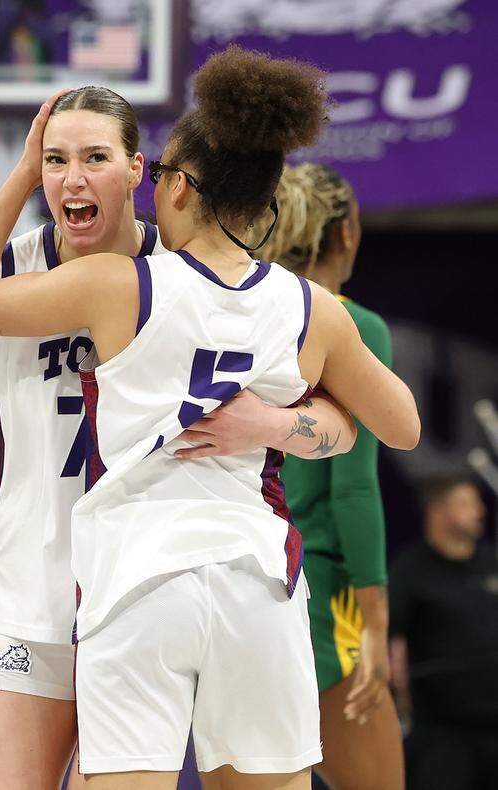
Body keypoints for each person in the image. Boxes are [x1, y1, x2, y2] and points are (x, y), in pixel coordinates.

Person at [0, 46, 421, 789]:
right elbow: (400, 425)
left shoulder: (119, 284)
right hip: (256, 582)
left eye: (158, 176)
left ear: (183, 190)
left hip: (139, 584)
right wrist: (269, 425)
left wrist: (25, 174)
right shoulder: (308, 306)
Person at [257, 162, 404, 789]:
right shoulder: (352, 323)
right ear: (346, 233)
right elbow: (353, 488)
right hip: (319, 595)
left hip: (245, 584)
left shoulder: (247, 311)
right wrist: (375, 622)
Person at [389, 476, 498, 790]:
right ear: (438, 511)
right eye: (466, 503)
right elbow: (386, 638)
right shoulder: (409, 571)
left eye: (477, 502)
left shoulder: (491, 561)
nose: (479, 511)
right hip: (442, 734)